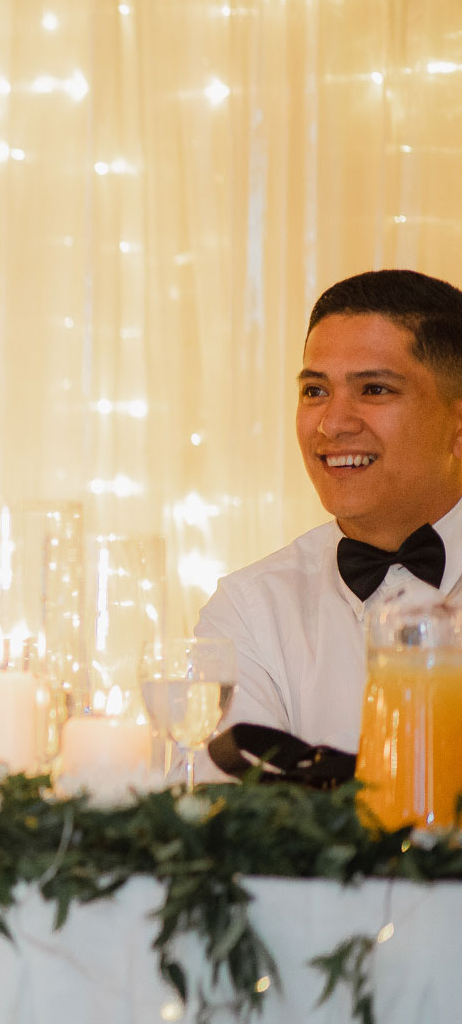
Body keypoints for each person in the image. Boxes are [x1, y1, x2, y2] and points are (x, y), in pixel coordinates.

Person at [196, 269, 462, 752]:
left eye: (374, 389)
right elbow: (230, 810)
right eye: (315, 391)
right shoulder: (250, 610)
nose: (332, 425)